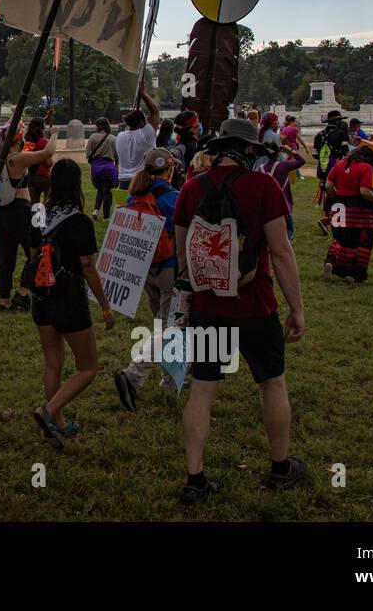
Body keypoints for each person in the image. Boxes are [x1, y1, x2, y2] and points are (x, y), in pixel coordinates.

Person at [173, 118, 308, 503]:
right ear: (250, 150)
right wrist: (297, 309)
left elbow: (184, 257)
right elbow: (281, 252)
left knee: (202, 388)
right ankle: (281, 467)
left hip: (208, 307)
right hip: (256, 305)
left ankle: (194, 478)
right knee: (271, 383)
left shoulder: (190, 189)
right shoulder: (264, 187)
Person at [113, 149, 181, 413]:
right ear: (170, 170)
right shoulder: (173, 198)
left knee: (162, 323)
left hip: (144, 268)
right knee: (168, 326)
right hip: (169, 268)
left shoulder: (134, 194)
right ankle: (134, 375)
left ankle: (170, 379)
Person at [0, 119, 56, 312]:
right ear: (16, 139)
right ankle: (22, 293)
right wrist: (54, 133)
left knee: (6, 259)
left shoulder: (0, 158)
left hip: (1, 213)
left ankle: (5, 301)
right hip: (19, 211)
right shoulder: (17, 158)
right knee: (37, 253)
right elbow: (48, 153)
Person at [323, 144, 373, 283]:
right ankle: (355, 273)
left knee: (339, 238)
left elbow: (328, 186)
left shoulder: (339, 164)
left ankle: (331, 261)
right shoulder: (366, 167)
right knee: (361, 241)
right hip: (358, 208)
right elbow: (364, 192)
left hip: (338, 206)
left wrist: (339, 196)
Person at [312, 110, 350, 234]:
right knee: (338, 195)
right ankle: (330, 219)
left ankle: (328, 220)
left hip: (323, 169)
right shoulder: (341, 134)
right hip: (337, 168)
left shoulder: (318, 135)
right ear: (338, 121)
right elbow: (345, 151)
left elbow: (315, 154)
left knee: (328, 194)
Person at [118, 85, 160, 183]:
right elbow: (155, 112)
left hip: (123, 180)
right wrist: (144, 94)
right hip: (140, 180)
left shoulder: (120, 136)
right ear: (141, 122)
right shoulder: (146, 136)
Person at [264, 145, 306, 241]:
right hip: (282, 204)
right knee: (288, 230)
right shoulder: (283, 165)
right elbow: (302, 161)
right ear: (278, 153)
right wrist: (290, 150)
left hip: (266, 205)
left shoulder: (260, 168)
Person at [84, 117, 118, 219]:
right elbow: (117, 156)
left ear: (98, 126)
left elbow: (88, 154)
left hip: (96, 168)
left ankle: (96, 210)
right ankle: (106, 217)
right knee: (107, 193)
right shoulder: (113, 138)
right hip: (109, 168)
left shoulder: (93, 137)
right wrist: (117, 169)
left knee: (100, 189)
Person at [23, 118, 53, 206]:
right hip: (43, 175)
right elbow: (49, 163)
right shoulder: (43, 142)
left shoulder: (27, 141)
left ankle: (33, 218)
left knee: (33, 202)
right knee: (50, 199)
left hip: (31, 175)